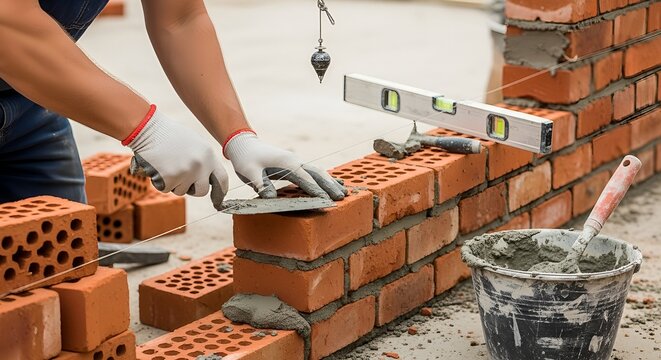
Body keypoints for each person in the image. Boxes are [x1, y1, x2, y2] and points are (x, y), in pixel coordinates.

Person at [0, 0, 346, 209]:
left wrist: (238, 137)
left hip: (30, 104)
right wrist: (147, 129)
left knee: (55, 264)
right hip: (22, 64)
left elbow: (180, 19)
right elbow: (9, 20)